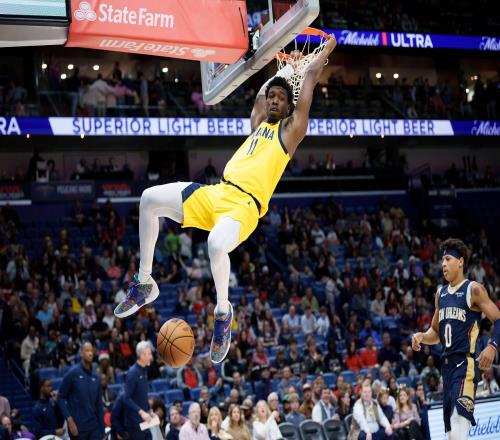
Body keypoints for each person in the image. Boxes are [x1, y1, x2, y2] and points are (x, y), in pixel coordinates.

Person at [113, 34, 338, 364]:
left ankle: (222, 313)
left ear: (289, 107)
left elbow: (311, 78)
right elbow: (260, 94)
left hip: (244, 206)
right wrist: (278, 63)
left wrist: (320, 54)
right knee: (148, 199)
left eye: (281, 98)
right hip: (217, 192)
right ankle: (145, 282)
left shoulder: (291, 131)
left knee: (216, 244)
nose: (274, 101)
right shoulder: (258, 124)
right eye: (272, 97)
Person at [411, 238, 500, 440]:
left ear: (460, 262)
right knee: (453, 434)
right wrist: (422, 336)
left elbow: (498, 319)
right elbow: (436, 333)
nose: (443, 264)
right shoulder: (440, 294)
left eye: (448, 259)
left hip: (465, 365)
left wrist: (492, 346)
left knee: (459, 427)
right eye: (442, 260)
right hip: (447, 369)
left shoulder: (473, 289)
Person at [57, 342, 105, 440]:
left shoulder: (96, 377)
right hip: (78, 428)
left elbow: (99, 405)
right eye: (87, 351)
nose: (90, 353)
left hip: (94, 427)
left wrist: (103, 430)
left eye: (91, 351)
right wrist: (69, 420)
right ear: (81, 353)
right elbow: (60, 397)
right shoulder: (72, 373)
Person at [124, 341, 154, 440]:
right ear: (142, 355)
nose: (151, 357)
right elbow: (127, 398)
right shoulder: (133, 373)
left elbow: (140, 395)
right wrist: (142, 412)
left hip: (144, 421)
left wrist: (149, 410)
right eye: (149, 354)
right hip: (135, 423)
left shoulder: (144, 370)